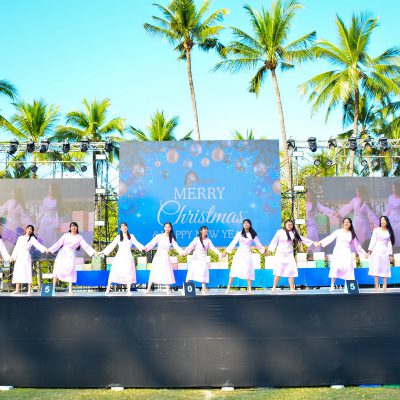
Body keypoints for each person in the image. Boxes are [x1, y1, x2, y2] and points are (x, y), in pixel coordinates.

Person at [316, 217, 367, 291]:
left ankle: (348, 286)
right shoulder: (338, 231)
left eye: (348, 222)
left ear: (350, 224)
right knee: (335, 267)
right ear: (343, 223)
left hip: (346, 253)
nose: (346, 223)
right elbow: (330, 238)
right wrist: (320, 243)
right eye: (345, 222)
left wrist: (364, 254)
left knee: (348, 268)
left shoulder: (352, 234)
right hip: (338, 252)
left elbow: (357, 246)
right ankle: (332, 285)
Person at [47, 222, 96, 294]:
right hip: (62, 254)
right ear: (70, 228)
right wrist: (50, 250)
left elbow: (86, 246)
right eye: (72, 226)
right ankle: (52, 289)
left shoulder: (79, 237)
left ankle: (70, 289)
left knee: (71, 271)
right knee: (57, 269)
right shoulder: (66, 235)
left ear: (77, 228)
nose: (74, 227)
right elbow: (58, 244)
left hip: (71, 255)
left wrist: (93, 252)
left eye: (75, 226)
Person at [268, 219, 314, 293]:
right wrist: (269, 250)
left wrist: (313, 242)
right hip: (280, 254)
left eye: (291, 225)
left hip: (289, 254)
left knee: (291, 270)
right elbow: (274, 241)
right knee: (278, 271)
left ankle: (292, 288)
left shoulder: (293, 232)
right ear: (285, 225)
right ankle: (274, 287)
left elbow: (302, 239)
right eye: (289, 224)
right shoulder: (279, 232)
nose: (290, 226)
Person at [100, 222, 144, 295]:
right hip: (120, 256)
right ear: (120, 228)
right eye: (122, 226)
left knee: (128, 272)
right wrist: (103, 252)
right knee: (114, 271)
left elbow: (137, 243)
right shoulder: (118, 237)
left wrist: (142, 248)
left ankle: (128, 290)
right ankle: (108, 289)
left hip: (128, 256)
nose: (124, 227)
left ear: (127, 227)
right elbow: (112, 245)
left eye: (125, 226)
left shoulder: (131, 236)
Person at [222, 219, 265, 294]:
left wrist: (263, 251)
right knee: (234, 269)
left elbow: (258, 244)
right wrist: (226, 251)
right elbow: (233, 243)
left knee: (248, 270)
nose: (246, 224)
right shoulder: (239, 233)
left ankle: (250, 289)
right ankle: (228, 287)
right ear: (243, 225)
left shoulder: (253, 234)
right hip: (239, 253)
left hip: (247, 254)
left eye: (247, 223)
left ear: (250, 225)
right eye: (244, 223)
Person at [144, 222, 183, 295]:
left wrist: (181, 252)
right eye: (166, 227)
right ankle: (148, 289)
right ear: (164, 227)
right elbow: (152, 243)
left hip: (165, 256)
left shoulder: (171, 238)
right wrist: (145, 248)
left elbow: (176, 246)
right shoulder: (159, 236)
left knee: (166, 271)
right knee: (154, 271)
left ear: (171, 228)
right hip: (158, 256)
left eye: (169, 227)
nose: (167, 228)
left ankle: (168, 290)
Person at [183, 226, 221, 295]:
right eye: (204, 229)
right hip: (195, 257)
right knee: (191, 271)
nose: (206, 230)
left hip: (203, 258)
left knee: (203, 272)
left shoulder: (208, 240)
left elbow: (213, 248)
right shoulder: (196, 239)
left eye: (206, 229)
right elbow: (190, 246)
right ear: (201, 231)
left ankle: (203, 288)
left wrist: (219, 253)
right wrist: (185, 252)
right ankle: (185, 288)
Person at [10, 225, 47, 294]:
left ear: (32, 231)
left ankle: (29, 289)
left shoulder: (32, 238)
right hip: (19, 257)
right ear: (26, 229)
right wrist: (13, 257)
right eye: (28, 228)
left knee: (27, 271)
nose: (29, 230)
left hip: (26, 256)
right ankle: (17, 289)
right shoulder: (20, 238)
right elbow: (16, 248)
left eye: (31, 229)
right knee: (18, 271)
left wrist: (45, 249)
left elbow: (38, 245)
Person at [368, 216, 395, 292]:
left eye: (384, 220)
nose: (382, 221)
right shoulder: (376, 230)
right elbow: (373, 241)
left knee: (385, 269)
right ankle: (377, 287)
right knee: (376, 268)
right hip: (376, 251)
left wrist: (390, 254)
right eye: (381, 220)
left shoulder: (388, 231)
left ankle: (385, 287)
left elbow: (389, 244)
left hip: (385, 252)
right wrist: (369, 251)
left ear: (387, 222)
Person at [0, 187, 31, 251]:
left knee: (12, 245)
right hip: (8, 226)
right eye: (12, 192)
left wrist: (31, 225)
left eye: (14, 192)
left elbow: (25, 217)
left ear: (17, 194)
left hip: (15, 228)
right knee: (4, 244)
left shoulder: (20, 205)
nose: (12, 194)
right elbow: (2, 209)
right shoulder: (9, 202)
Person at [36, 183, 62, 247]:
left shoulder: (57, 200)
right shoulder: (45, 199)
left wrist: (57, 225)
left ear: (54, 191)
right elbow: (42, 211)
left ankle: (51, 251)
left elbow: (58, 214)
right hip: (44, 221)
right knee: (42, 236)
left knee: (51, 238)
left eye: (51, 189)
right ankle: (41, 250)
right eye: (49, 189)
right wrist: (38, 221)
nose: (49, 191)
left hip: (52, 223)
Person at [386, 182, 400, 250]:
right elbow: (388, 210)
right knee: (390, 233)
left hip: (398, 219)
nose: (393, 189)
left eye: (394, 187)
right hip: (391, 218)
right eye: (392, 187)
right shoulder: (390, 197)